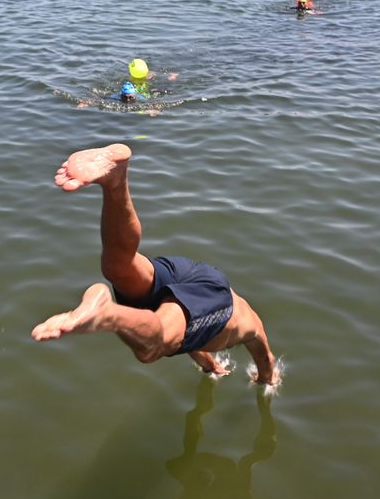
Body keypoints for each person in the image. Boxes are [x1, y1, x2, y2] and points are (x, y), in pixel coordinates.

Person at [31, 143, 279, 385]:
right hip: (213, 296)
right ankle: (106, 314)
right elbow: (265, 359)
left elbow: (189, 335)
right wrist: (266, 380)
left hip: (189, 272)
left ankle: (115, 181)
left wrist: (211, 368)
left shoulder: (201, 320)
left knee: (119, 266)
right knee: (152, 348)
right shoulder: (250, 328)